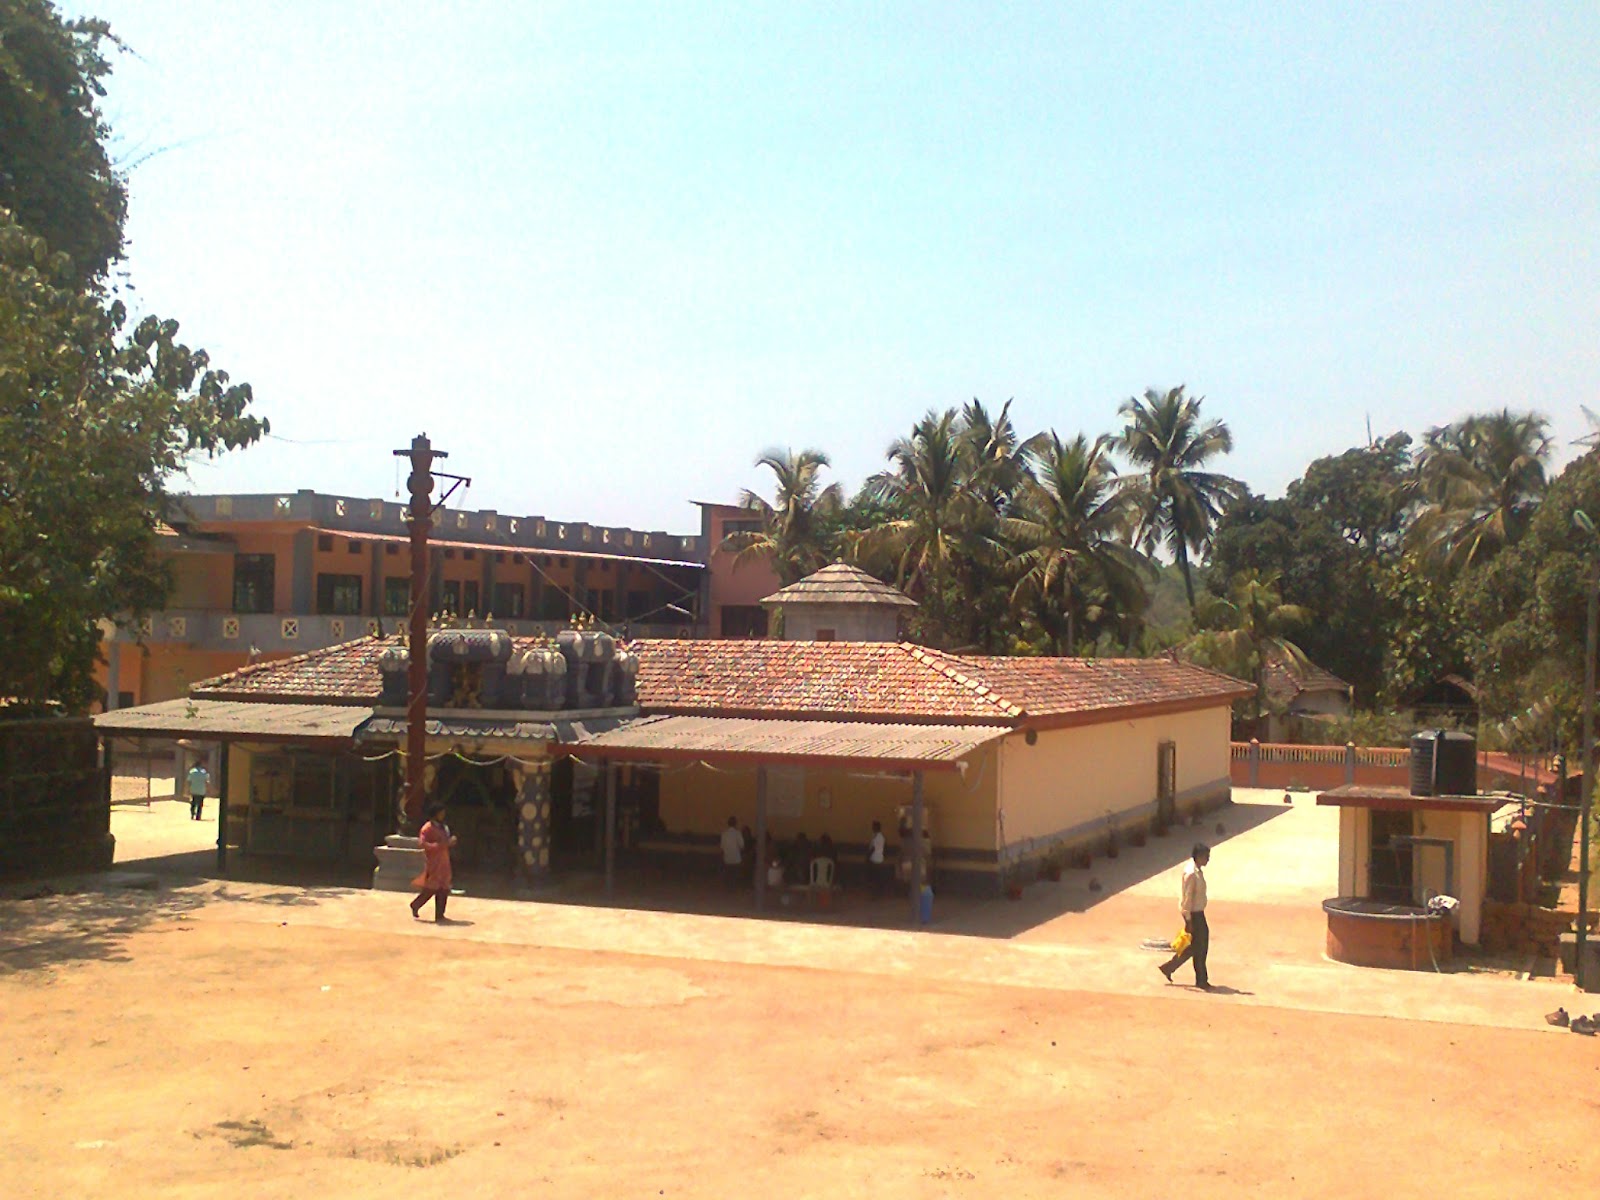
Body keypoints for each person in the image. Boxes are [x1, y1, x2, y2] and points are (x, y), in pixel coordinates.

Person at [1159, 843, 1212, 989]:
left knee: (1195, 946)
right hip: (1194, 915)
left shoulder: (1197, 870)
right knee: (1200, 947)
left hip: (1198, 913)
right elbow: (1187, 899)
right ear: (1199, 856)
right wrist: (1188, 920)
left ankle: (1169, 967)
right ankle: (1201, 979)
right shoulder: (1191, 874)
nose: (1208, 859)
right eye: (1206, 857)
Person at [410, 803, 458, 923]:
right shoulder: (427, 828)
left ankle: (440, 914)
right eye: (440, 813)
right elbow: (422, 843)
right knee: (431, 888)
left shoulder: (444, 827)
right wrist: (440, 845)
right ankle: (416, 904)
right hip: (434, 861)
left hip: (444, 860)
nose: (442, 815)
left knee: (444, 888)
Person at [720, 816, 744, 889]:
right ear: (735, 824)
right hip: (736, 859)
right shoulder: (738, 833)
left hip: (727, 859)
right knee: (735, 875)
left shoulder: (724, 834)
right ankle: (734, 887)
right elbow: (742, 845)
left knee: (728, 874)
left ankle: (728, 887)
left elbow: (722, 847)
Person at [867, 819, 888, 896]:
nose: (872, 827)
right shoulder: (877, 836)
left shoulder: (878, 837)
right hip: (878, 859)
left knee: (875, 877)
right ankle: (876, 893)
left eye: (873, 826)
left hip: (876, 859)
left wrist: (867, 856)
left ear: (877, 827)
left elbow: (873, 848)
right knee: (876, 877)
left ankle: (875, 893)